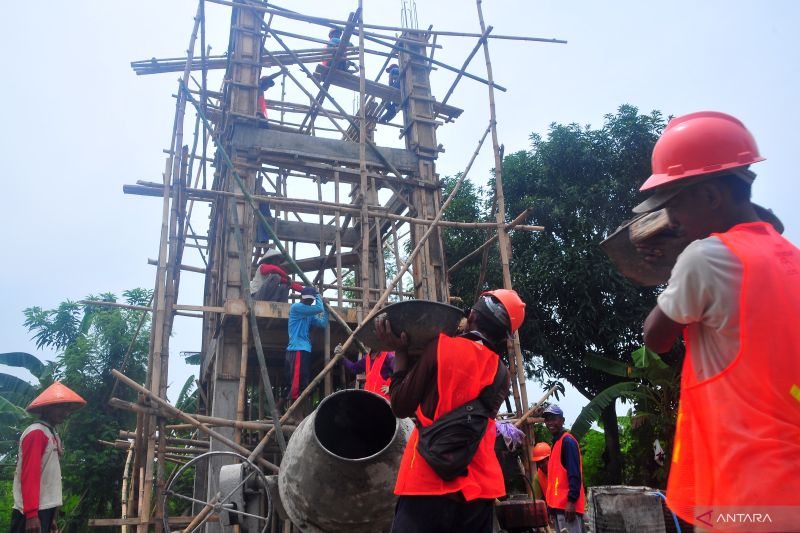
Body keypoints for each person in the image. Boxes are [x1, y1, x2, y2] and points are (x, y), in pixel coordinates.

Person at [634, 111, 800, 528]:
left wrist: (677, 262)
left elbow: (656, 337)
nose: (671, 220)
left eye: (674, 205)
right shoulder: (789, 257)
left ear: (710, 197)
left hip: (744, 488)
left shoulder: (704, 257)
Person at [375, 289, 525, 533]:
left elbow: (401, 405)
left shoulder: (441, 348)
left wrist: (400, 352)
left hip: (426, 479)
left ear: (472, 316)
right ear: (503, 337)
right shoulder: (502, 374)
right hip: (478, 487)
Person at [12, 381, 86, 533]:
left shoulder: (50, 433)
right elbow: (30, 474)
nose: (65, 412)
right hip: (30, 512)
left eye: (67, 408)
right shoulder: (36, 432)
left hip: (44, 509)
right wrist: (32, 514)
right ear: (46, 408)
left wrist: (51, 516)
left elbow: (50, 476)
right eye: (60, 407)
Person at [282, 287, 329, 409]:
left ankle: (289, 412)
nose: (308, 302)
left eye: (310, 300)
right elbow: (318, 308)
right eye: (307, 300)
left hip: (303, 350)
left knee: (301, 382)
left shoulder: (309, 315)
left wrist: (327, 309)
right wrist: (319, 296)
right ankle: (293, 412)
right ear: (300, 298)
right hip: (297, 349)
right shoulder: (296, 308)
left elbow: (323, 323)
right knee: (296, 384)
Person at [542, 405, 585, 533]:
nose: (550, 422)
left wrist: (571, 502)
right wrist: (550, 506)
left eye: (554, 419)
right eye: (547, 419)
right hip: (559, 507)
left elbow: (574, 475)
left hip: (567, 508)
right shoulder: (556, 443)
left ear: (562, 420)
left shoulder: (568, 442)